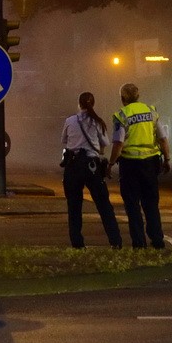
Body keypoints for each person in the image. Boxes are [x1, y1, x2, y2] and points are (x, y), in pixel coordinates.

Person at [107, 83, 171, 249]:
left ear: (122, 98)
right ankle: (157, 240)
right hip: (150, 164)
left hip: (130, 166)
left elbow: (118, 143)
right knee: (151, 203)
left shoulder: (122, 114)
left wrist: (110, 163)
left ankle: (139, 243)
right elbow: (162, 138)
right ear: (138, 96)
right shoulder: (151, 112)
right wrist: (167, 159)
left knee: (132, 205)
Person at [60, 92, 123, 249]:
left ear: (79, 104)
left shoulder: (70, 120)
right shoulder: (98, 122)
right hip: (92, 166)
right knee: (103, 205)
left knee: (74, 206)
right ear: (93, 104)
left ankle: (77, 244)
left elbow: (64, 141)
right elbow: (104, 144)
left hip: (73, 166)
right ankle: (115, 241)